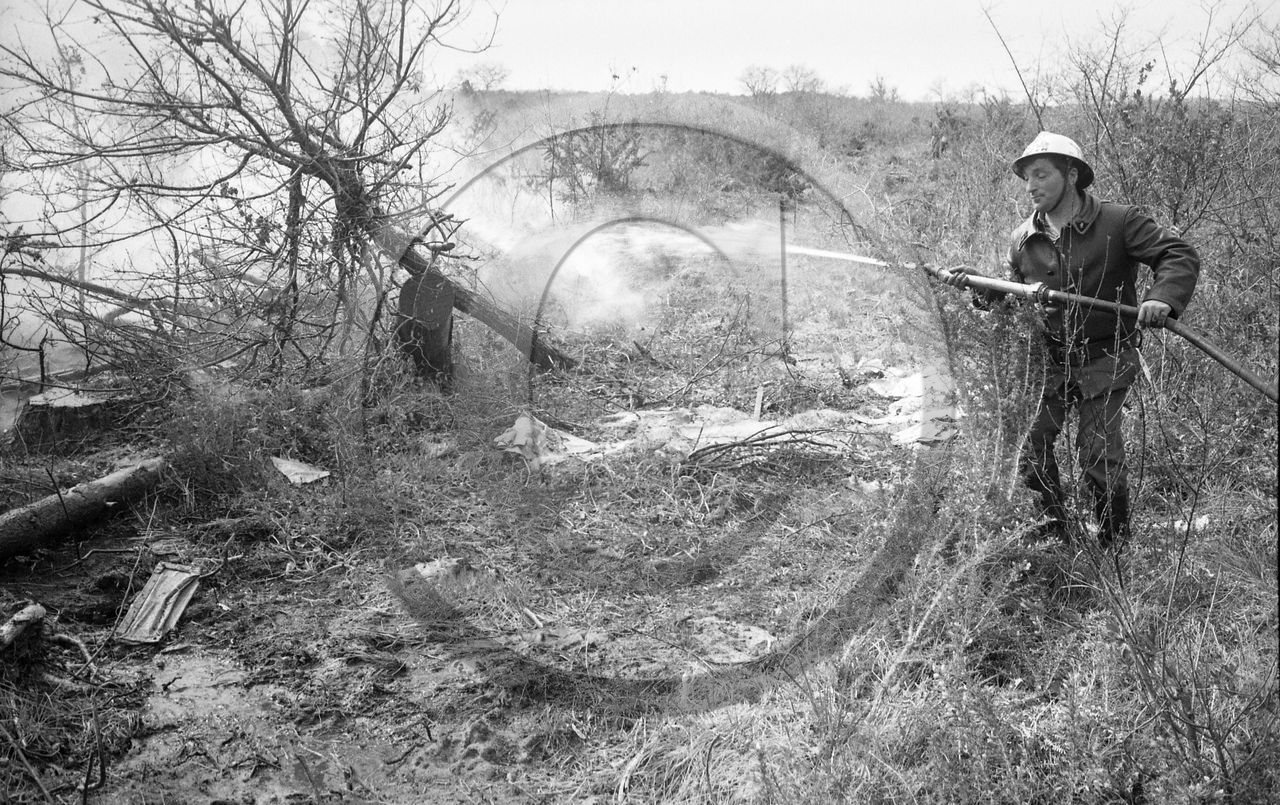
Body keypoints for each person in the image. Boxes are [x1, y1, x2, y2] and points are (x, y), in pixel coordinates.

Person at [944, 131, 1200, 548]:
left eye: (1041, 175)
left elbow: (1178, 255)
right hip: (1048, 360)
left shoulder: (1120, 221)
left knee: (1097, 451)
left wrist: (1162, 298)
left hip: (1106, 357)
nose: (1031, 187)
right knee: (1031, 444)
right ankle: (1054, 534)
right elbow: (1015, 300)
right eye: (1027, 178)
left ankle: (1113, 544)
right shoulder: (1022, 238)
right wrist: (979, 286)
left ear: (1072, 174)